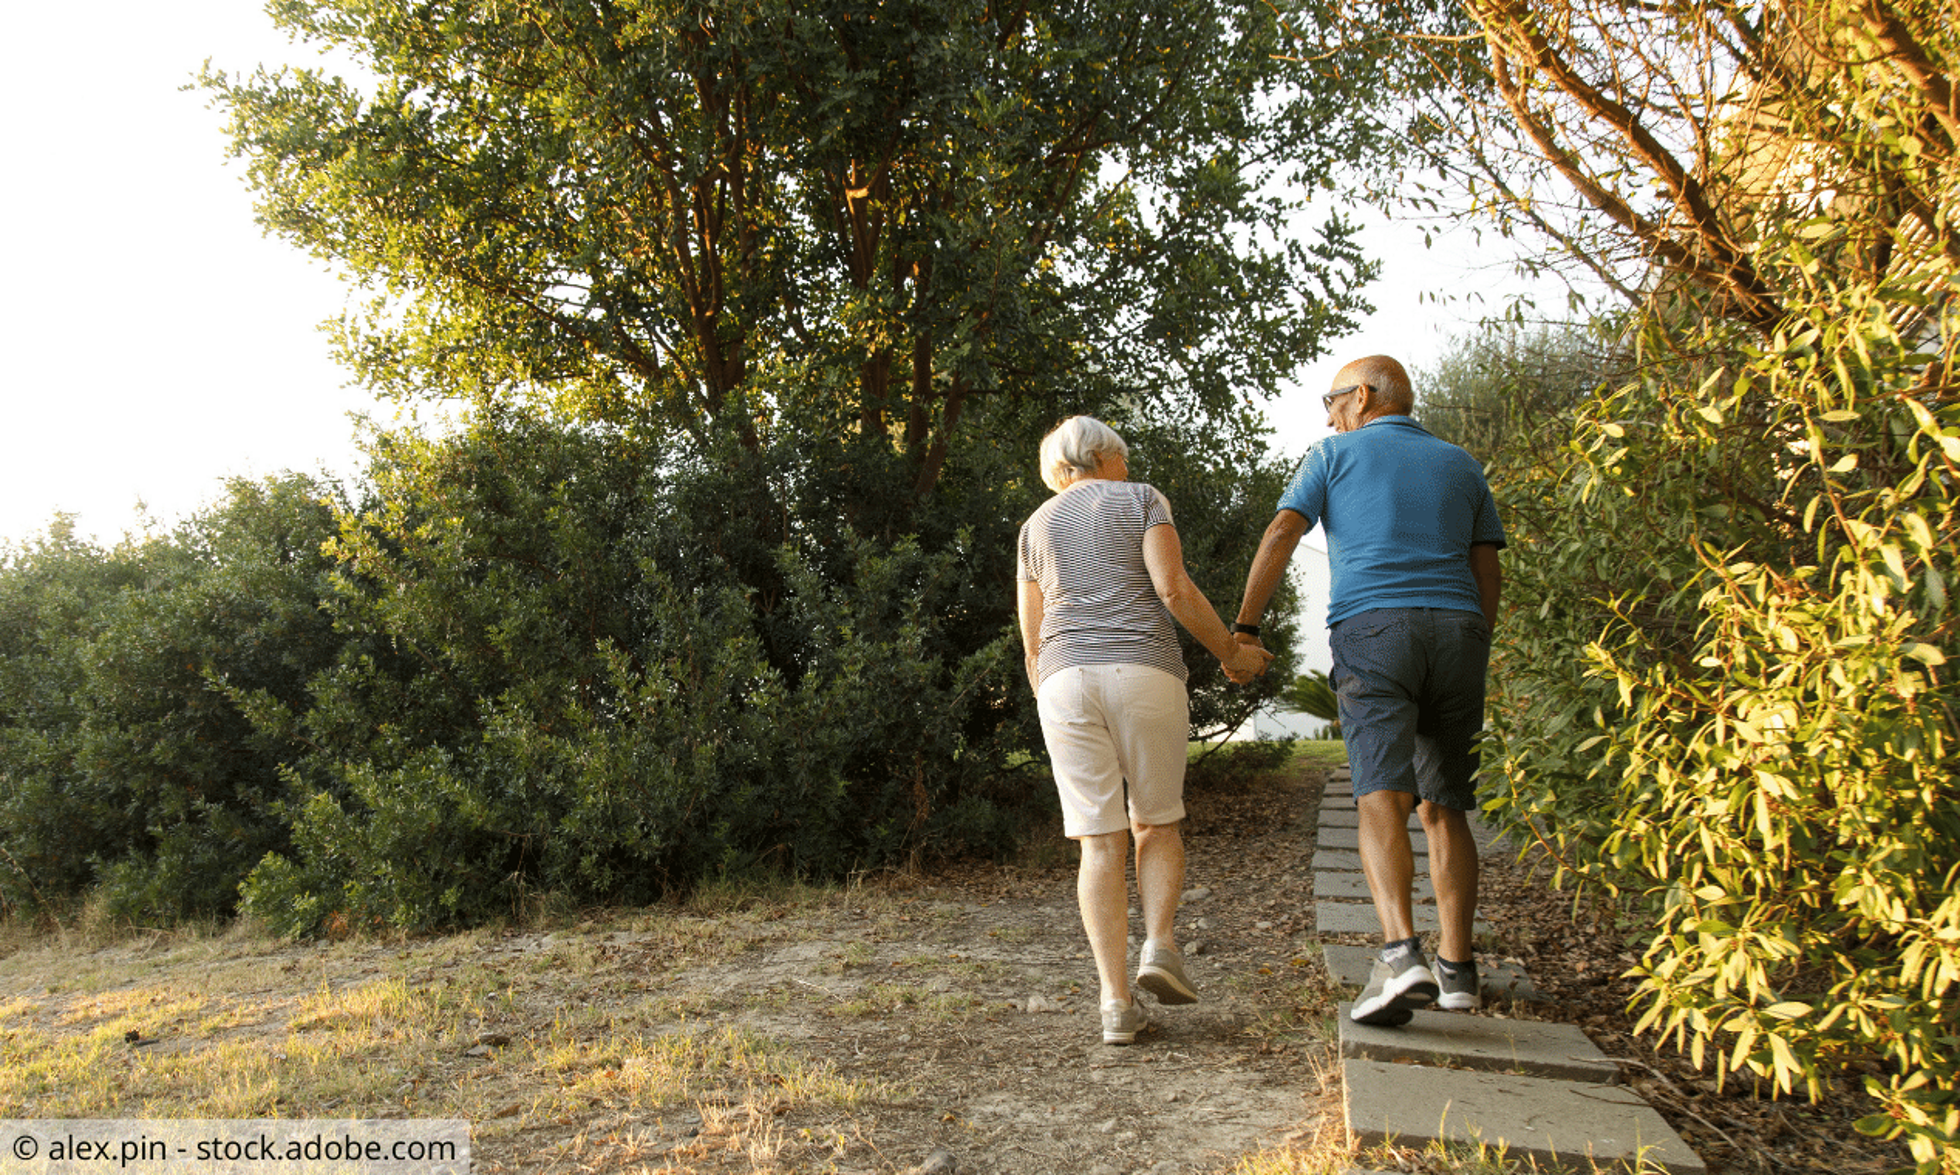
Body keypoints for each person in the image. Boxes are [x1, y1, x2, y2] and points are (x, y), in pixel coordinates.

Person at [1228, 356, 1504, 1026]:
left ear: (1362, 394)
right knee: (1446, 805)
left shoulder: (1331, 453)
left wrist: (1244, 626)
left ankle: (1400, 952)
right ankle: (1458, 970)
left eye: (1332, 400)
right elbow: (1485, 565)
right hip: (1459, 630)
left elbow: (1281, 531)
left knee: (1381, 791)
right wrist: (1476, 641)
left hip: (1375, 629)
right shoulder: (1462, 463)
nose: (1327, 416)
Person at [1017, 416, 1274, 1045]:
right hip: (1143, 673)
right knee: (1156, 821)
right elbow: (1173, 589)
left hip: (1063, 680)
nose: (1127, 468)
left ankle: (1114, 1004)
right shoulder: (1141, 499)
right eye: (1122, 458)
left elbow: (1030, 632)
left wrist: (1048, 691)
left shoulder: (1034, 526)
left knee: (1097, 843)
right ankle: (1159, 945)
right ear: (1103, 456)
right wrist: (1231, 654)